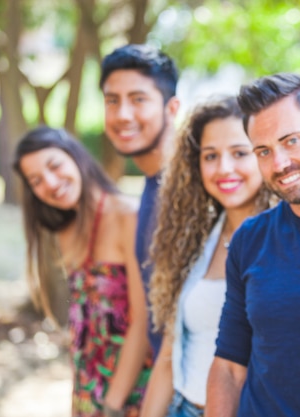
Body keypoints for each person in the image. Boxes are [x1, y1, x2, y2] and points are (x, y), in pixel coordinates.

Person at [205, 73, 300, 417]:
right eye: (263, 151)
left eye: (291, 141)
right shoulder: (250, 239)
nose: (279, 163)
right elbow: (229, 365)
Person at [139, 96, 273, 417]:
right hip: (183, 407)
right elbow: (169, 356)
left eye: (240, 153)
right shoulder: (196, 241)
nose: (224, 168)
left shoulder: (286, 242)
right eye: (210, 156)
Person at [13, 126, 152, 417]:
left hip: (132, 390)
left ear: (75, 157)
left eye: (54, 165)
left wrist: (112, 406)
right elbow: (83, 326)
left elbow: (143, 321)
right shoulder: (65, 230)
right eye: (36, 180)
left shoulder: (129, 216)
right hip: (87, 390)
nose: (50, 183)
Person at [100, 44, 180, 360]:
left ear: (172, 108)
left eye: (138, 99)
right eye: (112, 101)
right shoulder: (150, 187)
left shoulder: (202, 188)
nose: (122, 115)